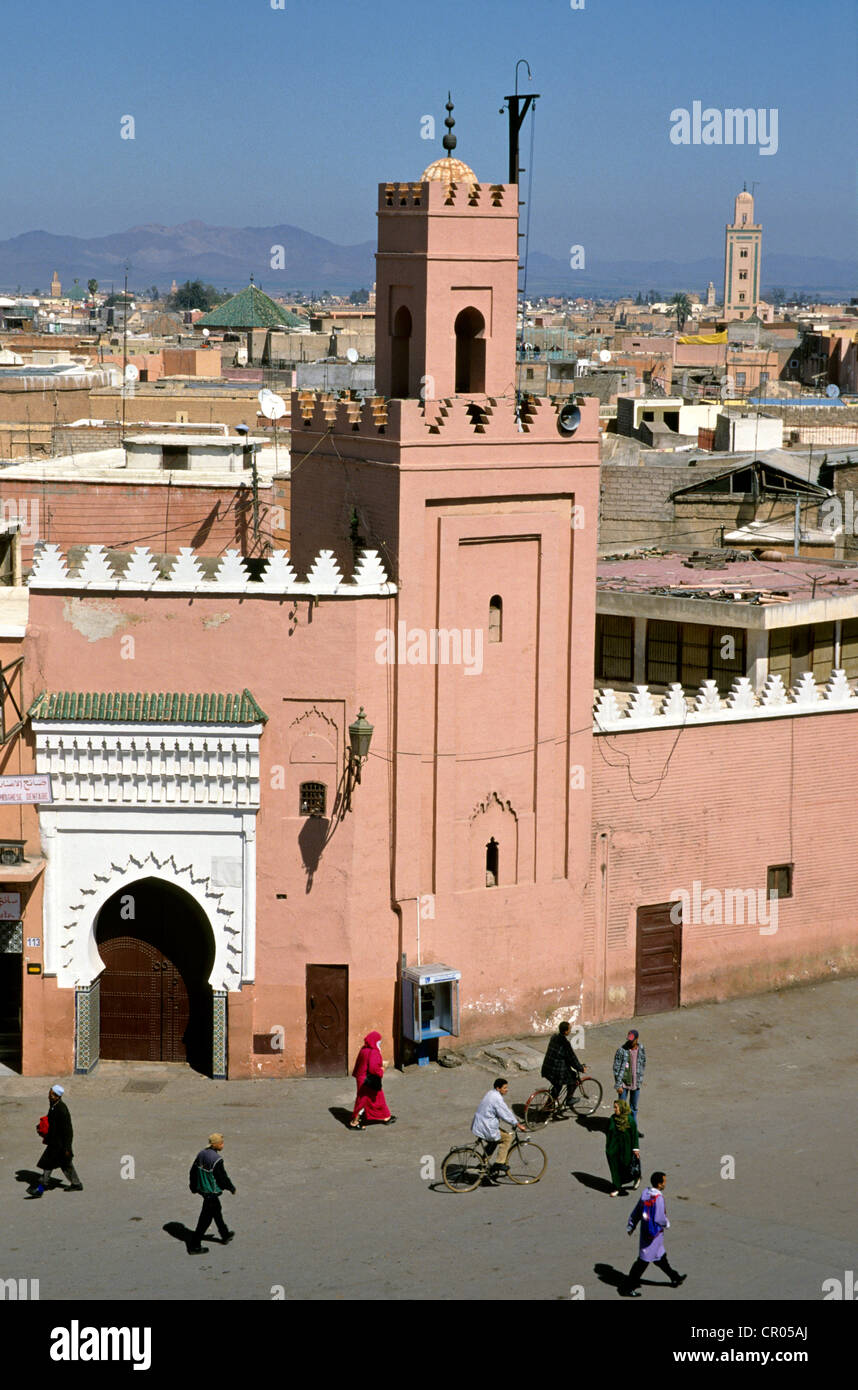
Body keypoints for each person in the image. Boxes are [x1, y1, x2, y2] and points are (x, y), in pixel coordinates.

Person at [620, 1171, 686, 1297]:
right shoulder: (659, 1198)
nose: (665, 1184)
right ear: (659, 1184)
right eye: (664, 1181)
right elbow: (659, 1218)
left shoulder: (645, 1193)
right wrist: (667, 1224)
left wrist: (631, 1224)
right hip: (653, 1235)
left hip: (646, 1232)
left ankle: (675, 1277)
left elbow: (638, 1210)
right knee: (642, 1263)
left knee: (660, 1257)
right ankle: (626, 1288)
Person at [28, 1085, 83, 1196]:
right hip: (54, 1142)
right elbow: (50, 1119)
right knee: (66, 1164)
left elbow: (68, 1130)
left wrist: (67, 1147)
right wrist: (41, 1126)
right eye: (50, 1093)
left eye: (52, 1094)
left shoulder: (62, 1109)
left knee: (48, 1165)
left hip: (59, 1144)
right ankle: (76, 1184)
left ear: (57, 1097)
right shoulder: (54, 1106)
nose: (50, 1095)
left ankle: (40, 1189)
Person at [188, 1133, 236, 1254]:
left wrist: (193, 1187)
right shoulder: (217, 1160)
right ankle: (194, 1245)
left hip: (203, 1190)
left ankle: (225, 1234)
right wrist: (230, 1187)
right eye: (221, 1143)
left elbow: (193, 1171)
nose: (223, 1145)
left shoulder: (201, 1154)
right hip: (211, 1191)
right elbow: (222, 1177)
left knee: (217, 1211)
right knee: (205, 1220)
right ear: (216, 1145)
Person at [471, 1078, 527, 1178]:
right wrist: (517, 1124)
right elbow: (505, 1113)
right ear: (498, 1088)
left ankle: (483, 1164)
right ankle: (499, 1163)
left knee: (495, 1140)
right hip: (486, 1126)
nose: (507, 1090)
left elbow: (504, 1110)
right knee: (507, 1138)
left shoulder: (491, 1093)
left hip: (480, 1124)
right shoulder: (496, 1099)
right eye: (505, 1088)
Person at [349, 1031, 396, 1129]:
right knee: (364, 1101)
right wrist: (382, 1069)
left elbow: (360, 1064)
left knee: (377, 1097)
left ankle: (386, 1117)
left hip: (362, 1079)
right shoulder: (374, 1052)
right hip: (369, 1080)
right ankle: (355, 1122)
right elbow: (373, 1069)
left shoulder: (364, 1049)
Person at [540, 1020, 586, 1110]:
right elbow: (572, 1058)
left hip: (547, 1067)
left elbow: (562, 1055)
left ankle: (548, 1105)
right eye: (569, 1029)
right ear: (566, 1032)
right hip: (556, 1070)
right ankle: (569, 1099)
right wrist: (581, 1068)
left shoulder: (554, 1037)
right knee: (573, 1078)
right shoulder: (565, 1044)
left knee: (557, 1086)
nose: (570, 1030)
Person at [605, 1098, 640, 1197]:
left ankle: (636, 1177)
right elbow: (609, 1133)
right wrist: (608, 1148)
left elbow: (634, 1135)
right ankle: (617, 1187)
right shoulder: (612, 1119)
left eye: (616, 1107)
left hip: (627, 1148)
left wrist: (636, 1148)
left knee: (626, 1166)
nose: (614, 1109)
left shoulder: (630, 1120)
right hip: (614, 1148)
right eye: (614, 1107)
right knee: (615, 1168)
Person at [613, 1028, 646, 1132]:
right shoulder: (621, 1050)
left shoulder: (641, 1048)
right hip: (623, 1084)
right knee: (621, 1109)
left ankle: (633, 1130)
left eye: (632, 1040)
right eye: (629, 1039)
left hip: (636, 1084)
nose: (630, 1042)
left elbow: (643, 1062)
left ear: (637, 1039)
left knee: (634, 1108)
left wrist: (640, 1078)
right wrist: (618, 1085)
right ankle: (620, 1130)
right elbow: (616, 1068)